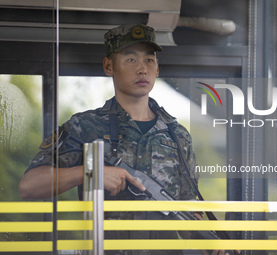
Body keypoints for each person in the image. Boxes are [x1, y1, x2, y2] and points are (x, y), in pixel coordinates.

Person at [19, 24, 233, 255]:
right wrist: (93, 173)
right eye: (131, 59)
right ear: (108, 66)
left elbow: (188, 209)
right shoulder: (84, 127)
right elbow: (30, 186)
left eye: (149, 60)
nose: (142, 69)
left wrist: (209, 241)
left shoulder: (177, 135)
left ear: (157, 68)